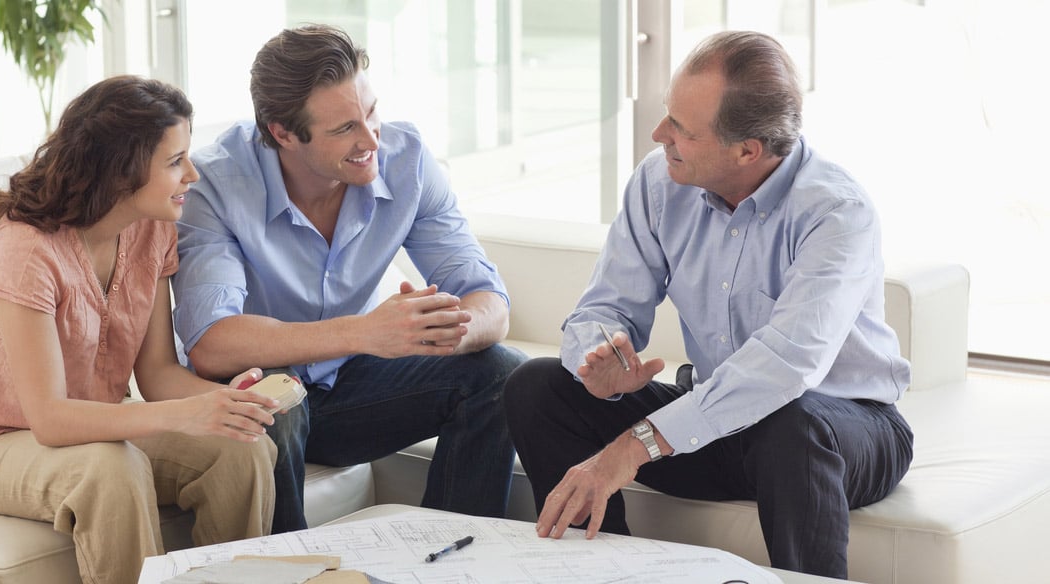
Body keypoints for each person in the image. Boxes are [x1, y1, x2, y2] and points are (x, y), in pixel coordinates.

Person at [503, 31, 914, 579]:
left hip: (843, 431)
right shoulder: (658, 182)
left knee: (788, 423)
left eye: (681, 130)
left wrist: (631, 448)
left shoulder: (836, 212)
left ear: (747, 151)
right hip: (720, 424)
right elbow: (603, 307)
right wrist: (600, 360)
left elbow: (783, 368)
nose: (658, 135)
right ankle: (601, 572)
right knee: (538, 386)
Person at [172, 24, 526, 533]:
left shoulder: (407, 161)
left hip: (355, 389)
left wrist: (443, 328)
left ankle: (451, 560)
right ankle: (294, 570)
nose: (371, 139)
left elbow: (489, 299)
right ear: (282, 133)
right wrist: (365, 333)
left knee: (502, 372)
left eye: (372, 111)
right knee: (278, 397)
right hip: (259, 391)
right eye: (344, 129)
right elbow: (210, 344)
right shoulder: (216, 187)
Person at [0, 76, 279, 584]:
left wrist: (225, 404)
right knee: (112, 469)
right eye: (174, 161)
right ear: (121, 172)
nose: (193, 174)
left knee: (240, 446)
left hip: (97, 427)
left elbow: (158, 374)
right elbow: (49, 420)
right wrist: (186, 414)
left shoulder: (152, 227)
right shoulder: (25, 249)